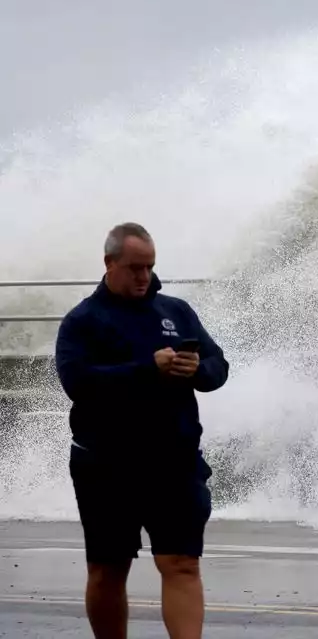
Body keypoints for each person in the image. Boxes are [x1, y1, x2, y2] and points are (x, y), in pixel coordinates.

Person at [55, 223, 230, 638]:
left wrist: (198, 369)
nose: (143, 277)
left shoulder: (175, 312)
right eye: (134, 267)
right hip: (106, 464)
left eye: (149, 267)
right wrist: (146, 369)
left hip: (175, 461)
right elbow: (77, 384)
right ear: (109, 263)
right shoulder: (83, 321)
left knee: (182, 563)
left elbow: (218, 366)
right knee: (108, 569)